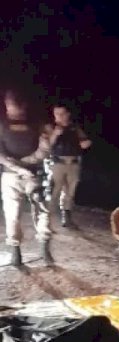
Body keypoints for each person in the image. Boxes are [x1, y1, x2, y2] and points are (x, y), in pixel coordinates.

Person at [0, 90, 53, 267]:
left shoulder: (39, 126)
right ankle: (16, 253)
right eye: (8, 105)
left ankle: (44, 249)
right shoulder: (2, 126)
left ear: (23, 106)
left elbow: (45, 150)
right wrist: (20, 168)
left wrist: (22, 164)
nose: (10, 109)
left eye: (12, 105)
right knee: (12, 214)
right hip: (12, 176)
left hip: (33, 175)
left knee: (42, 210)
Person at [47, 102, 92, 228]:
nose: (59, 117)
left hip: (73, 164)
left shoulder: (75, 128)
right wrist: (55, 134)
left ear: (68, 114)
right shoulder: (51, 127)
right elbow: (46, 145)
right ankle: (46, 219)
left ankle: (66, 218)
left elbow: (85, 141)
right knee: (53, 191)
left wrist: (86, 143)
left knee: (70, 192)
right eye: (56, 114)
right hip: (57, 164)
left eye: (62, 114)